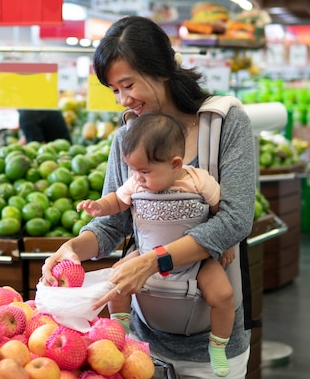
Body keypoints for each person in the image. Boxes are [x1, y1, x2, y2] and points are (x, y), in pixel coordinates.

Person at [41, 16, 256, 379]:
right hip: (140, 342)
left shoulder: (223, 123)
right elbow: (112, 222)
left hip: (210, 345)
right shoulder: (126, 135)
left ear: (161, 69)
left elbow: (235, 219)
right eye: (114, 90)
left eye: (128, 84)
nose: (124, 99)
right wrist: (74, 249)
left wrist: (155, 260)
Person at [76, 112, 236, 376]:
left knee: (224, 295)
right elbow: (117, 200)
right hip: (145, 255)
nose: (137, 178)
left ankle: (218, 345)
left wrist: (226, 243)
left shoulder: (199, 180)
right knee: (117, 280)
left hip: (195, 260)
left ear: (175, 164)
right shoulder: (136, 183)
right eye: (134, 170)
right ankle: (121, 330)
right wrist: (98, 207)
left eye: (145, 171)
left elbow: (222, 214)